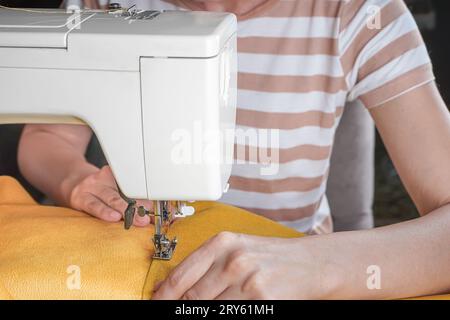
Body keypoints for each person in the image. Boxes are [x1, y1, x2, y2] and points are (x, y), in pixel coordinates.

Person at [18, 0, 450, 299]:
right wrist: (76, 180)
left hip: (288, 282)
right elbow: (46, 138)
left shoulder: (359, 14)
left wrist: (314, 268)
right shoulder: (101, 7)